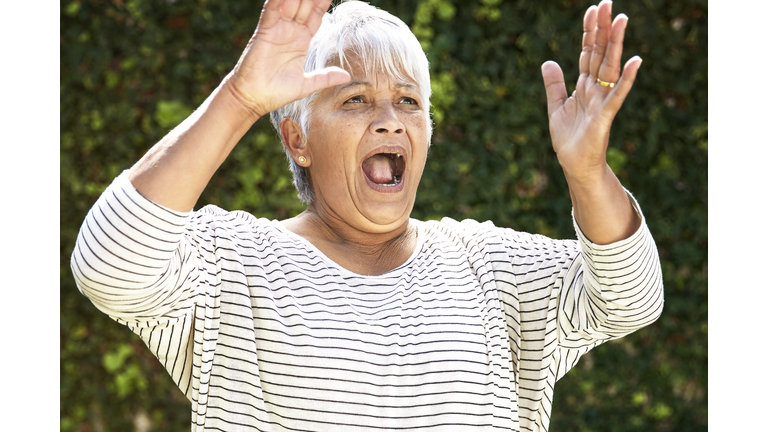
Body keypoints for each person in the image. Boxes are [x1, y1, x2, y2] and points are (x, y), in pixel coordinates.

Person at [70, 0, 663, 430]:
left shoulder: (489, 269)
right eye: (355, 100)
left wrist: (587, 172)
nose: (390, 120)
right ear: (298, 139)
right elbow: (108, 267)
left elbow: (630, 299)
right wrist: (241, 99)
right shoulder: (233, 264)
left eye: (409, 102)